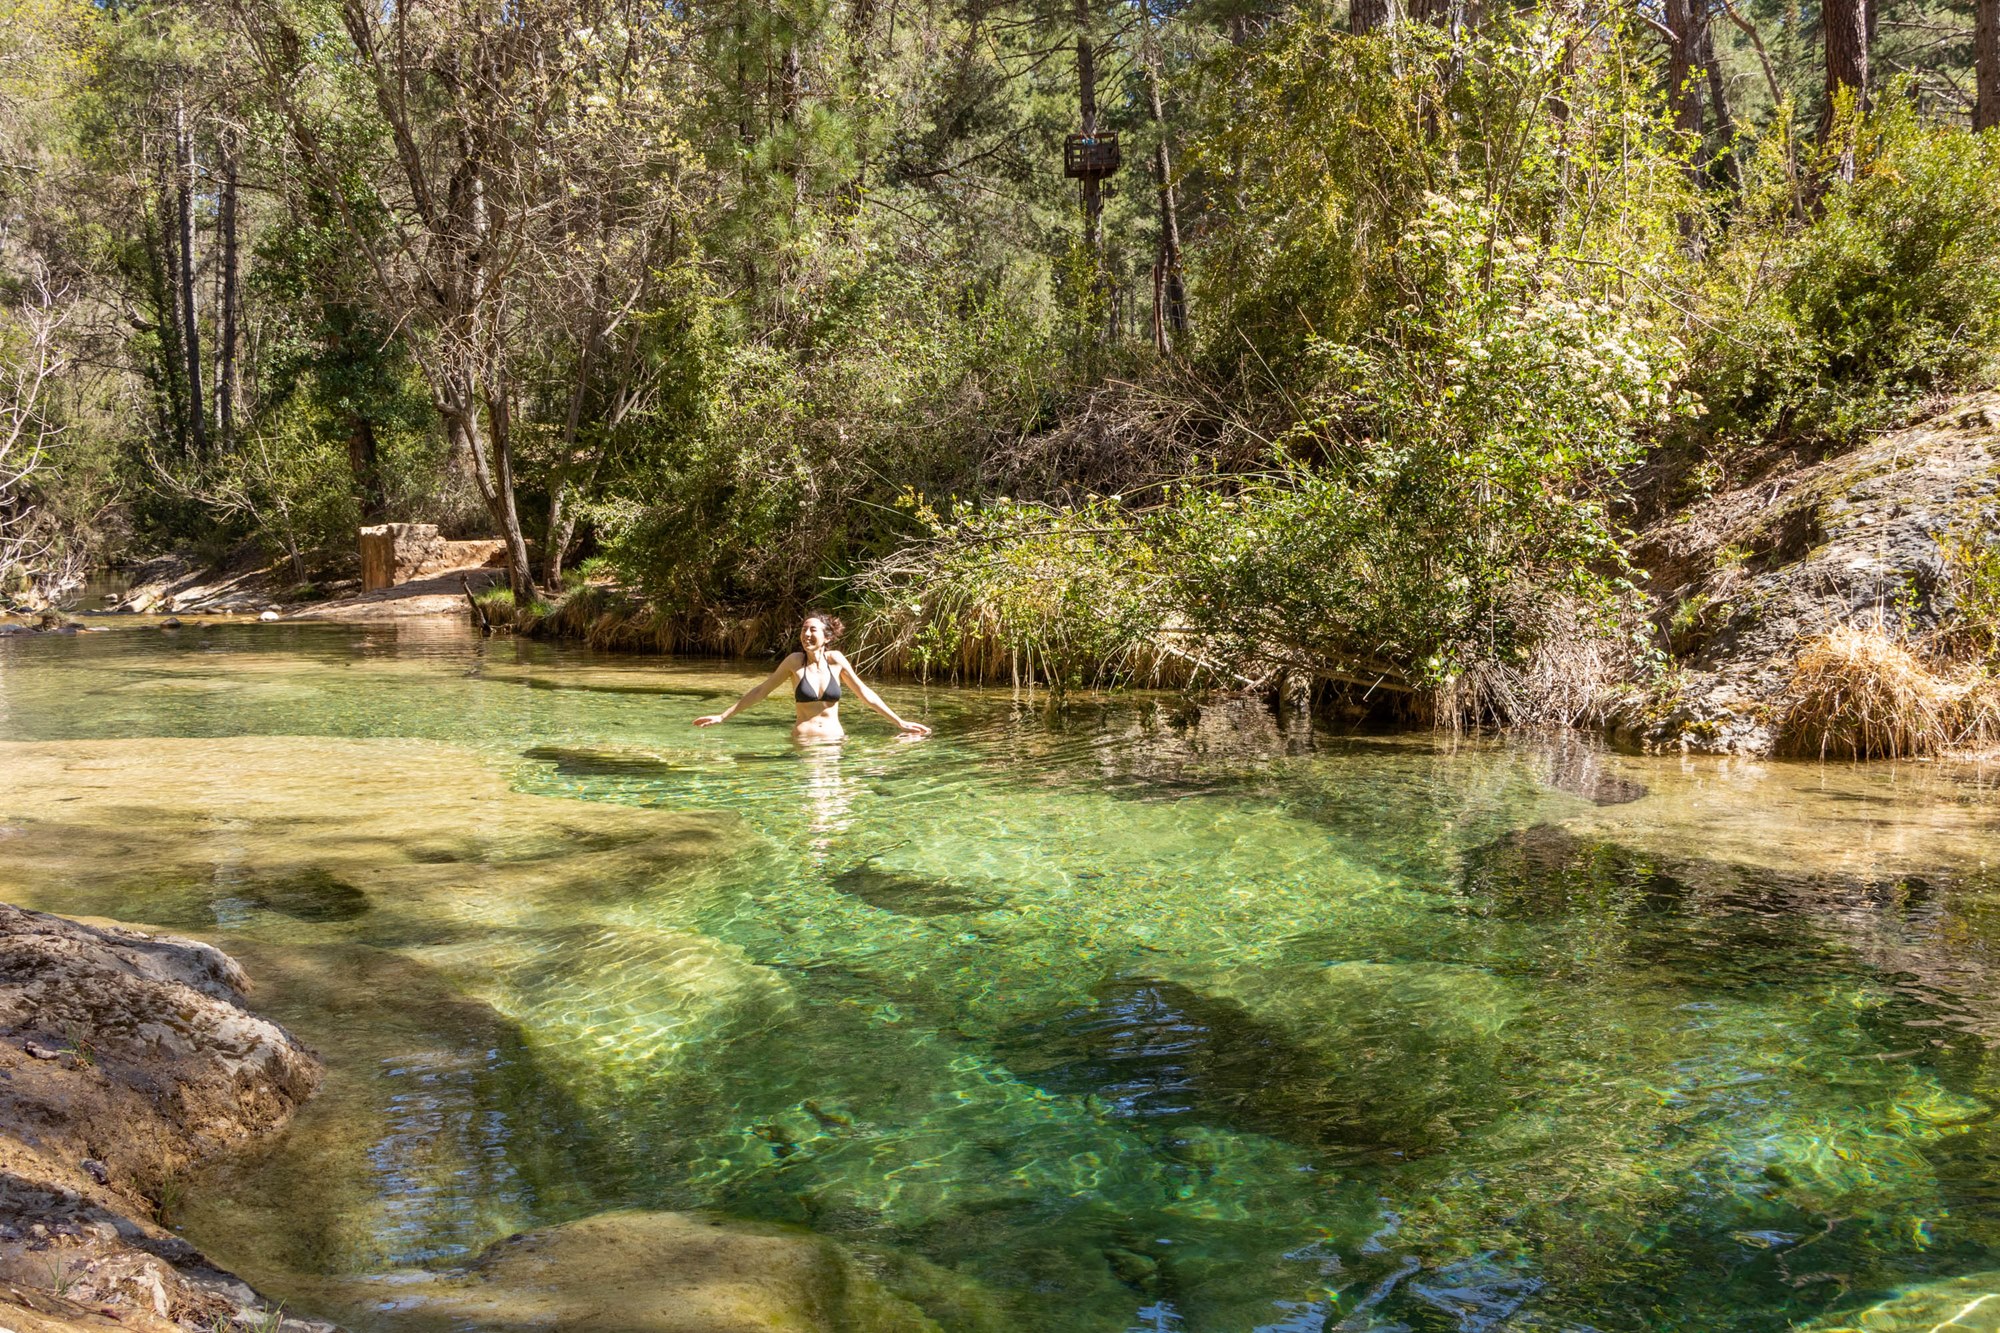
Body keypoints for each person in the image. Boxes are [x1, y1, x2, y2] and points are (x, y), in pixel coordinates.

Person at [693, 613, 931, 741]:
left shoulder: (836, 660)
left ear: (826, 637)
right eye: (803, 629)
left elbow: (865, 694)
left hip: (834, 742)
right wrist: (723, 716)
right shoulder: (794, 662)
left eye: (812, 629)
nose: (806, 634)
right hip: (803, 743)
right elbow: (761, 691)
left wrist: (900, 722)